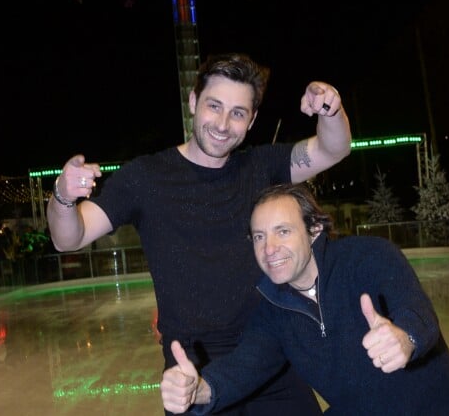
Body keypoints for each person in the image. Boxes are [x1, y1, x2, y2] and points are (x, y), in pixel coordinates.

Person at [46, 52, 352, 415]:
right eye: (214, 106)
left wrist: (330, 109)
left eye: (238, 113)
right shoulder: (145, 178)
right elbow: (69, 238)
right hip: (191, 375)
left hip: (271, 363)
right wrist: (63, 196)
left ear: (252, 120)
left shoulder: (260, 167)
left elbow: (334, 147)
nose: (223, 123)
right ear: (193, 102)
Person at [160, 182, 449, 416]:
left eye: (282, 231)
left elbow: (415, 309)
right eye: (259, 236)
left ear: (313, 230)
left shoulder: (368, 257)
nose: (269, 248)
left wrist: (406, 338)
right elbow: (245, 366)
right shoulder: (272, 309)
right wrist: (201, 389)